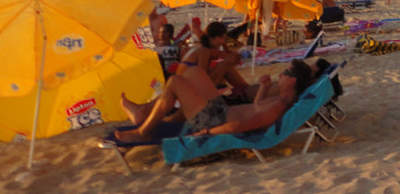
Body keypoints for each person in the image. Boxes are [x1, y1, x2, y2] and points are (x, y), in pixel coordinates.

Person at [115, 59, 320, 143]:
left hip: (214, 120)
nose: (281, 75)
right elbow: (256, 108)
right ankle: (148, 112)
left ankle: (143, 131)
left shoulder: (278, 105)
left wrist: (208, 133)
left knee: (176, 81)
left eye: (285, 73)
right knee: (193, 71)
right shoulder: (282, 99)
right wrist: (264, 88)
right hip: (220, 111)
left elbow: (243, 124)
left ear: (292, 80)